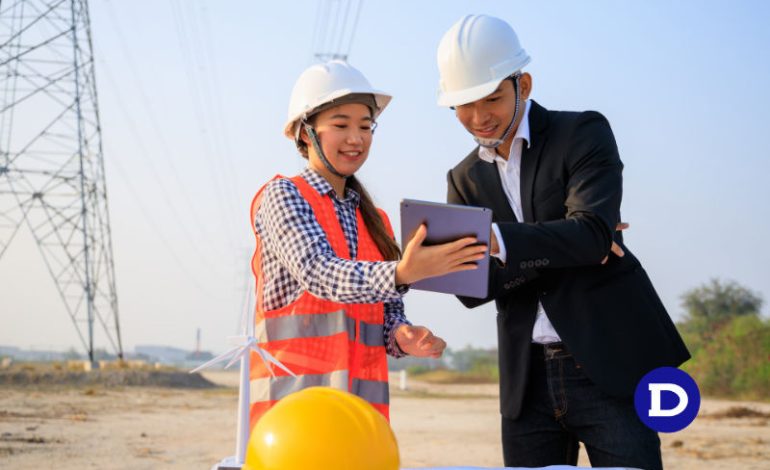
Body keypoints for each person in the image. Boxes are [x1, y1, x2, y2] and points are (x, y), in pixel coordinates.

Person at [438, 14, 691, 469]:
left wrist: (497, 242)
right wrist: (564, 242)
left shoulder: (583, 133)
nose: (478, 118)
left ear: (524, 83)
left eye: (492, 98)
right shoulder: (463, 179)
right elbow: (470, 289)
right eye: (463, 106)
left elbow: (591, 236)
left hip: (605, 365)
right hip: (526, 380)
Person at [248, 60, 487, 429]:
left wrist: (402, 335)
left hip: (361, 420)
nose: (356, 138)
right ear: (304, 132)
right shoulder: (284, 196)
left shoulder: (376, 220)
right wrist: (403, 271)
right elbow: (319, 272)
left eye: (365, 126)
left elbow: (385, 312)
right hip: (294, 417)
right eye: (341, 125)